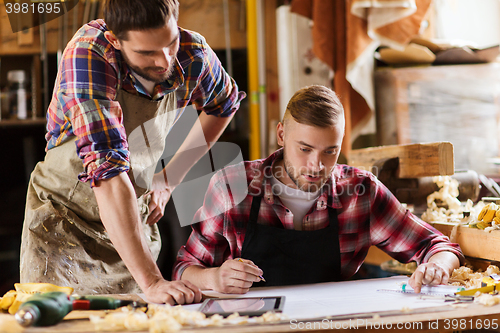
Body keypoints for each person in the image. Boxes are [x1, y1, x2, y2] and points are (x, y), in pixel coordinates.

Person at [20, 0, 245, 305]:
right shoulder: (88, 55)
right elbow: (108, 172)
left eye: (170, 43)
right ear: (115, 40)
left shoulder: (194, 54)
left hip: (131, 220)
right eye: (146, 53)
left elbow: (224, 104)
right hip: (64, 220)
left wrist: (169, 177)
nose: (165, 61)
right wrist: (152, 280)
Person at [173, 85, 464, 294]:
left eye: (330, 151)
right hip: (254, 324)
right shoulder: (231, 186)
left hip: (332, 325)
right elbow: (185, 268)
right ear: (281, 134)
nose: (316, 165)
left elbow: (438, 246)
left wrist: (437, 266)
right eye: (305, 148)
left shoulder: (360, 192)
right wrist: (214, 278)